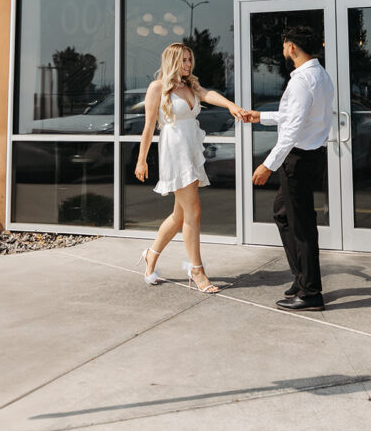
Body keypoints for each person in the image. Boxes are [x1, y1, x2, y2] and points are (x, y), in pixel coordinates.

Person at [135, 41, 245, 293]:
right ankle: (196, 269)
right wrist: (141, 159)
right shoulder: (157, 88)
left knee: (181, 215)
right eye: (183, 60)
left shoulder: (190, 85)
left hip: (191, 150)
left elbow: (208, 95)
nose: (188, 64)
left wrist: (231, 105)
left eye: (189, 60)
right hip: (174, 152)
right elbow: (148, 127)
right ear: (172, 61)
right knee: (193, 210)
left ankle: (151, 255)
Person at [245, 25, 334, 311]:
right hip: (311, 155)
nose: (283, 49)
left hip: (297, 158)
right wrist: (261, 116)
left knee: (302, 226)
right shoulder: (320, 75)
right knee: (283, 214)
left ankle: (310, 293)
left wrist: (267, 165)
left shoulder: (301, 81)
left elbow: (292, 129)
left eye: (284, 44)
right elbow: (294, 116)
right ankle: (302, 278)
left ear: (292, 46)